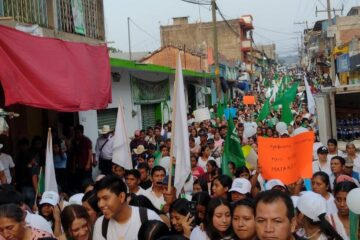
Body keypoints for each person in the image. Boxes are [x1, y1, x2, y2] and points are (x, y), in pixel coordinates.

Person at [93, 175, 161, 240]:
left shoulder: (149, 217)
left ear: (121, 197)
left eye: (105, 198)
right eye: (99, 199)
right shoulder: (101, 224)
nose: (100, 204)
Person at [70, 125, 93, 192]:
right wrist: (73, 166)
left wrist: (88, 164)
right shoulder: (74, 141)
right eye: (76, 133)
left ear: (82, 132)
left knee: (87, 181)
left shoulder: (87, 140)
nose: (77, 134)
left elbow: (90, 152)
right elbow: (74, 154)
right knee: (79, 182)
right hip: (78, 166)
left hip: (86, 164)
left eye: (78, 132)